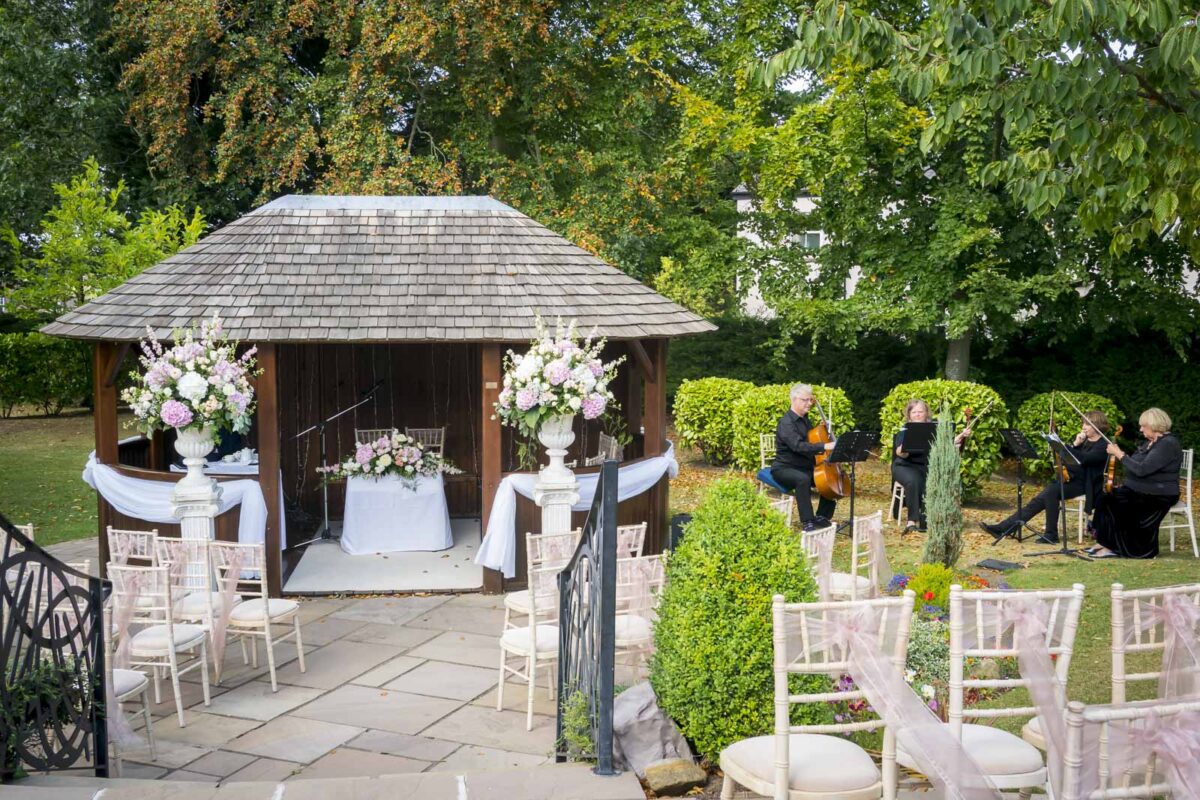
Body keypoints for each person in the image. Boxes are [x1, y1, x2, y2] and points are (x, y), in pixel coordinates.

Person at [979, 410, 1111, 545]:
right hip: (1070, 480)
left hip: (1086, 484)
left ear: (1097, 426)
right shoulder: (1085, 441)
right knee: (1039, 500)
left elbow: (1085, 459)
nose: (1083, 427)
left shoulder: (1104, 445)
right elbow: (1069, 459)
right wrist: (1075, 444)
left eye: (1087, 424)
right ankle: (1004, 528)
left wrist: (1064, 447)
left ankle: (1049, 534)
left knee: (1051, 492)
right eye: (1083, 423)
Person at [1089, 407, 1182, 559]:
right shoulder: (1149, 443)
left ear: (1154, 426)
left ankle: (1122, 547)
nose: (1140, 429)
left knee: (1119, 504)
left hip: (1159, 494)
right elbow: (1133, 464)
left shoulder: (1168, 444)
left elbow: (1141, 470)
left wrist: (1119, 454)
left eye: (1143, 426)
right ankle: (1106, 542)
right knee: (1105, 498)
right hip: (1141, 490)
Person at [892, 399, 969, 534]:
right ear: (909, 415)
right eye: (914, 412)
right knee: (913, 480)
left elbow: (948, 446)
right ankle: (912, 521)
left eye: (920, 411)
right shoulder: (905, 430)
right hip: (904, 466)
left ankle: (936, 518)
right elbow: (899, 453)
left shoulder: (935, 428)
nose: (917, 414)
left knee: (940, 478)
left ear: (926, 413)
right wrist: (904, 450)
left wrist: (960, 438)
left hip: (926, 466)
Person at [771, 384, 837, 531]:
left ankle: (822, 516)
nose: (809, 403)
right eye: (805, 400)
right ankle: (808, 521)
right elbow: (798, 446)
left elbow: (811, 438)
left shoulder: (805, 420)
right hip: (784, 468)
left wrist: (822, 429)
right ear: (794, 400)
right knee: (803, 479)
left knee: (829, 479)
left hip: (805, 467)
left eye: (810, 400)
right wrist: (824, 447)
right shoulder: (786, 423)